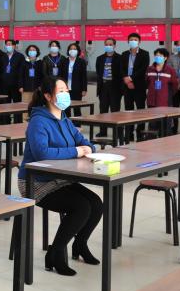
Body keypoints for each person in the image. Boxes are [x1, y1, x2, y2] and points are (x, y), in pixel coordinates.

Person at [19, 75, 102, 277]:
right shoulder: (38, 121)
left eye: (67, 90)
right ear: (48, 96)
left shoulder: (64, 119)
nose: (66, 94)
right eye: (61, 91)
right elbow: (42, 153)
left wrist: (88, 148)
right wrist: (76, 151)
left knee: (96, 204)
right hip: (36, 182)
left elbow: (85, 143)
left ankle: (79, 245)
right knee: (81, 207)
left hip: (60, 179)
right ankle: (55, 254)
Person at [121, 33, 149, 139]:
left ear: (139, 42)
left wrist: (131, 78)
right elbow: (121, 69)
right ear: (128, 41)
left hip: (139, 86)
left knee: (140, 111)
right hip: (127, 86)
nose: (133, 41)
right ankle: (129, 134)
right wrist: (127, 80)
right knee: (128, 111)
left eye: (135, 39)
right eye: (131, 39)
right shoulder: (124, 54)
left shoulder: (145, 54)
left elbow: (143, 69)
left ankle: (140, 134)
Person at [95, 38, 122, 139]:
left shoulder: (120, 58)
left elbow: (121, 73)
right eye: (106, 44)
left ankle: (117, 132)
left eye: (110, 44)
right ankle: (103, 131)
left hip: (115, 88)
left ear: (114, 46)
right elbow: (98, 72)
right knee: (103, 111)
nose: (108, 46)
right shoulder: (100, 58)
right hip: (103, 87)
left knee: (115, 111)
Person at [167, 41, 180, 133]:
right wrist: (176, 82)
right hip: (174, 88)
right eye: (178, 45)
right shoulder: (171, 58)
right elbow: (169, 72)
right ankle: (173, 132)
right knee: (174, 111)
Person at [64, 43, 88, 107]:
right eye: (71, 49)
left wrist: (84, 89)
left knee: (77, 108)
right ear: (68, 51)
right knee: (66, 107)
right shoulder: (64, 61)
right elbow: (61, 75)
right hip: (65, 88)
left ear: (78, 51)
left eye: (74, 49)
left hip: (77, 88)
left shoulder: (81, 62)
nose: (72, 50)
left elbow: (84, 76)